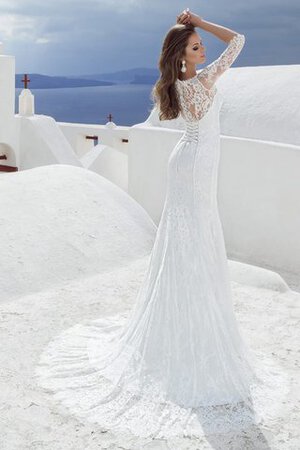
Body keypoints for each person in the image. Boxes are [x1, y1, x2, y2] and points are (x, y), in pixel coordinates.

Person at [35, 10, 266, 439]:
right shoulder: (195, 83)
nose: (205, 49)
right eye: (196, 45)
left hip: (194, 162)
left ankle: (193, 313)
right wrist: (198, 19)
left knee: (192, 240)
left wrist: (196, 22)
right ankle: (189, 326)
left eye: (201, 45)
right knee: (194, 240)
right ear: (182, 55)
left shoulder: (190, 81)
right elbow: (238, 39)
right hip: (194, 166)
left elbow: (234, 42)